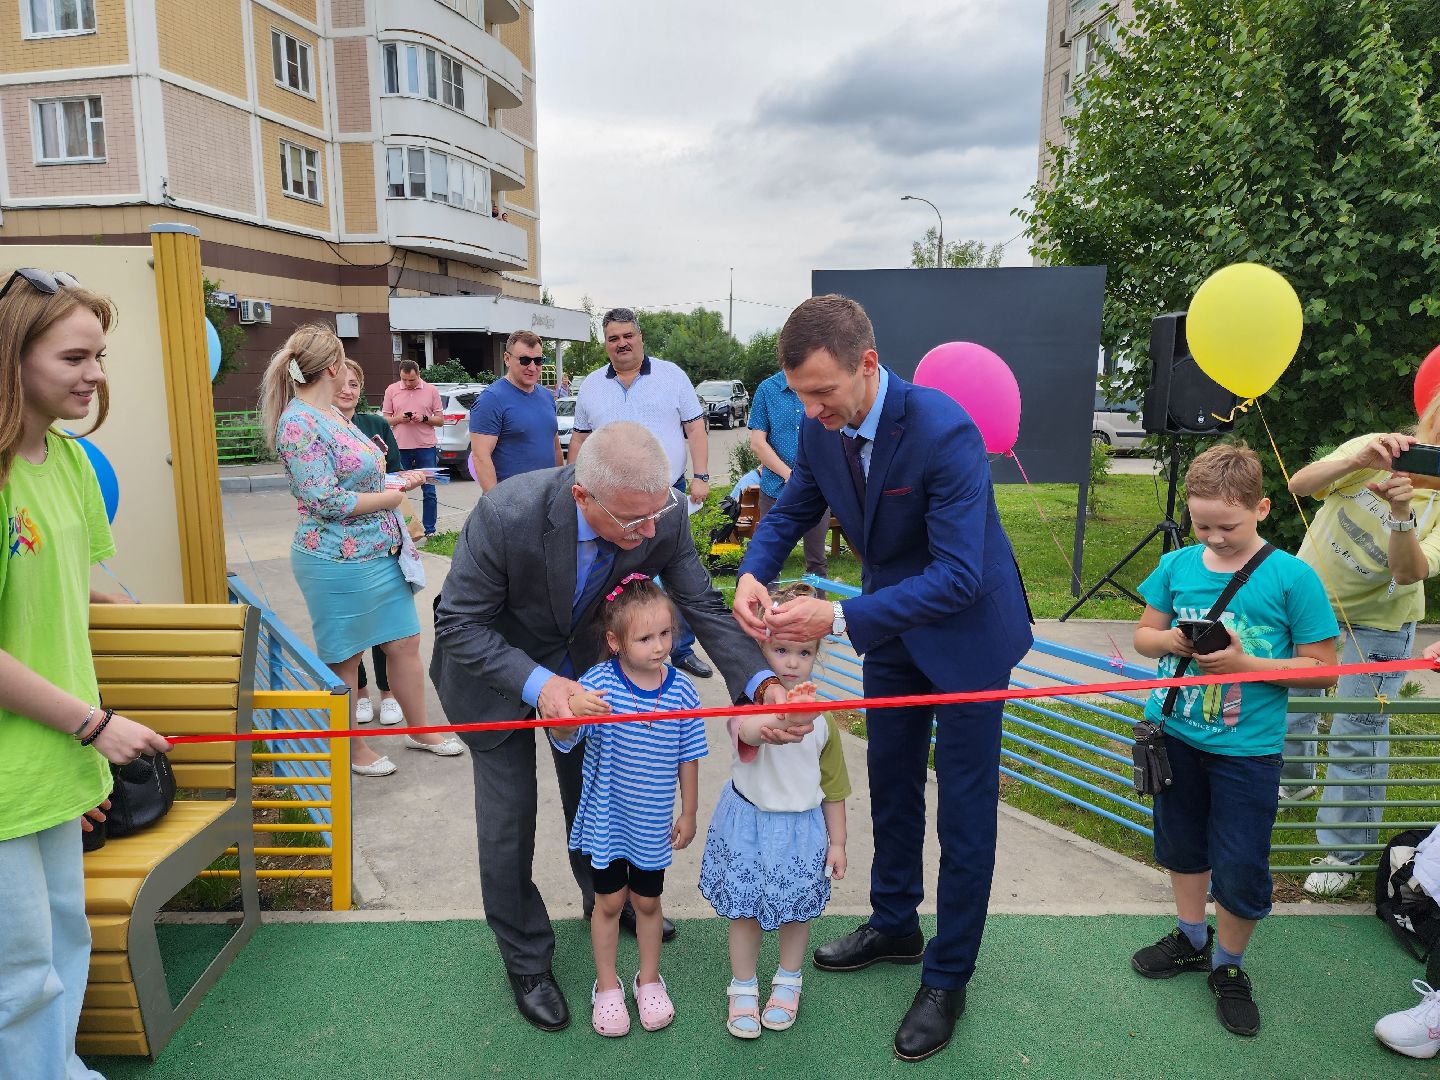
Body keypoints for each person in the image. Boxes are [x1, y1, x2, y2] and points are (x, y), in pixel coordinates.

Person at [731, 294, 1033, 1063]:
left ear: (868, 364)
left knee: (964, 814)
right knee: (891, 781)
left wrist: (836, 618)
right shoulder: (820, 426)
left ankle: (948, 976)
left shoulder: (944, 429)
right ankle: (896, 923)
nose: (811, 411)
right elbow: (792, 507)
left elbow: (960, 576)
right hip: (892, 632)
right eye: (800, 395)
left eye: (823, 392)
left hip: (967, 637)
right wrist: (753, 571)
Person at [429, 420, 796, 1033]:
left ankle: (608, 896)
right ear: (582, 495)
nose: (649, 534)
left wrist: (763, 685)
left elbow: (702, 604)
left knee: (599, 797)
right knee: (509, 822)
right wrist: (542, 685)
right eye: (632, 523)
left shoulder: (659, 513)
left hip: (591, 680)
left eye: (655, 515)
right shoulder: (505, 514)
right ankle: (527, 961)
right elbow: (459, 624)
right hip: (495, 678)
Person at [0, 268, 171, 1080]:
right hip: (17, 768)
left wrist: (170, 626)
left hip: (58, 761)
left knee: (63, 939)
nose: (95, 375)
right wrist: (95, 726)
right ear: (12, 356)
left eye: (99, 356)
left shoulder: (69, 462)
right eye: (74, 357)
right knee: (17, 972)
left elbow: (81, 588)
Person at [1130, 442, 1338, 1038]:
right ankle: (1191, 936)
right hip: (1175, 734)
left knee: (1242, 863)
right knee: (1181, 844)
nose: (1215, 538)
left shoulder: (1292, 577)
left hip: (1247, 752)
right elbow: (1144, 635)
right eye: (1203, 526)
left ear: (1262, 508)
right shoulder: (1177, 565)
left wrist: (1245, 664)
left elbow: (1324, 669)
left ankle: (1228, 964)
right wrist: (1172, 642)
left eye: (1229, 526)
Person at [260, 325, 464, 776]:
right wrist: (391, 498)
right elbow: (325, 500)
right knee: (346, 656)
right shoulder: (298, 422)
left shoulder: (332, 414)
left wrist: (393, 485)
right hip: (335, 559)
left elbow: (362, 475)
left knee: (405, 642)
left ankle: (421, 730)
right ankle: (352, 749)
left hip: (380, 552)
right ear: (332, 367)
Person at [1281, 423, 1440, 896]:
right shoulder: (1379, 448)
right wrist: (1358, 460)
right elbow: (1299, 485)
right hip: (1309, 602)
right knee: (1289, 703)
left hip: (1382, 623)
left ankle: (1344, 852)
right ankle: (1295, 781)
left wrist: (1400, 513)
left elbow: (1408, 571)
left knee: (1357, 732)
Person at [549, 575, 707, 1036]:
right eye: (645, 638)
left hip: (652, 824)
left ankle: (649, 980)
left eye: (665, 633)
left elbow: (689, 755)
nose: (659, 646)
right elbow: (565, 737)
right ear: (615, 641)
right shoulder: (597, 685)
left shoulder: (682, 691)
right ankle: (606, 986)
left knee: (648, 902)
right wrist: (568, 714)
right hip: (608, 822)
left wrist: (690, 812)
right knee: (609, 902)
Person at [701, 582, 849, 1040]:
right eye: (780, 650)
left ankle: (788, 981)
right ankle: (743, 985)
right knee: (744, 913)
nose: (791, 662)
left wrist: (839, 842)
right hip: (748, 825)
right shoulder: (745, 706)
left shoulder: (825, 723)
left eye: (804, 653)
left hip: (803, 830)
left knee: (795, 915)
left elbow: (834, 788)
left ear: (816, 656)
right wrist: (785, 717)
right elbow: (748, 732)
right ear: (759, 650)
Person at [568, 307, 714, 679]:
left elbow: (695, 429)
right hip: (611, 503)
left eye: (628, 336)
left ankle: (681, 648)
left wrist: (701, 475)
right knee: (613, 578)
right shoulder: (592, 385)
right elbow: (580, 439)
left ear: (640, 337)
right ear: (605, 344)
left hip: (666, 495)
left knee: (675, 573)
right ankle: (617, 651)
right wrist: (569, 480)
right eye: (613, 338)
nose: (622, 344)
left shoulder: (672, 376)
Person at [335, 359, 407, 727]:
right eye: (342, 383)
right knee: (352, 623)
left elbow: (395, 473)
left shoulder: (376, 425)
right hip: (340, 542)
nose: (347, 390)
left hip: (382, 536)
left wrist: (404, 487)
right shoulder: (320, 428)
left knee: (384, 619)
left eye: (355, 384)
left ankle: (388, 692)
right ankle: (360, 692)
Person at [749, 366, 832, 579]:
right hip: (774, 489)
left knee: (817, 560)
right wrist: (790, 476)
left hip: (816, 491)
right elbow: (758, 443)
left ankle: (817, 600)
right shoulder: (767, 390)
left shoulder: (819, 386)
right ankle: (766, 601)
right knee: (767, 559)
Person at [469, 330, 562, 492]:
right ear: (507, 359)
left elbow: (555, 448)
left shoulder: (547, 396)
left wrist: (560, 489)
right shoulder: (490, 400)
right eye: (525, 360)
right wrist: (496, 502)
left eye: (538, 361)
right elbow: (480, 457)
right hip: (512, 500)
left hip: (547, 497)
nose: (532, 367)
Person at [381, 358, 443, 540]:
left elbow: (440, 420)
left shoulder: (431, 390)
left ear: (419, 374)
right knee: (398, 491)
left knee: (429, 490)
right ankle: (402, 530)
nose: (408, 384)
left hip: (426, 446)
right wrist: (399, 418)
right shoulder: (391, 390)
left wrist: (424, 418)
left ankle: (430, 530)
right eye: (404, 380)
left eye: (412, 380)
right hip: (400, 447)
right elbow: (385, 420)